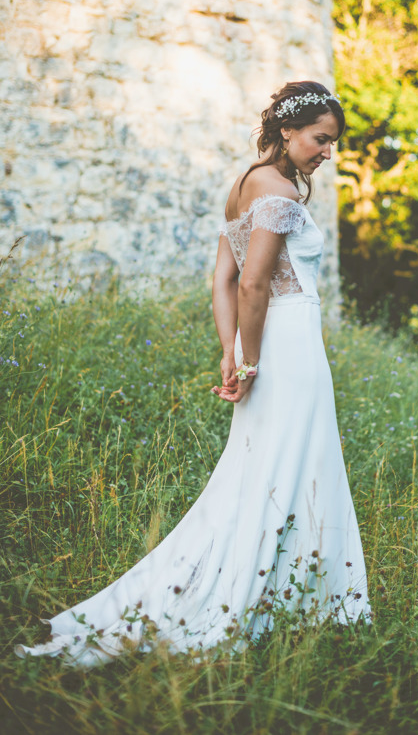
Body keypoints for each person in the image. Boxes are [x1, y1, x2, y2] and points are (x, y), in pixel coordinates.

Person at [15, 81, 372, 667]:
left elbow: (221, 280)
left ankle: (281, 595)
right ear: (288, 130)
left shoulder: (241, 185)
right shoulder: (280, 189)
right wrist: (249, 359)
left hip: (267, 344)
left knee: (265, 470)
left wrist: (228, 351)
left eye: (331, 142)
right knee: (293, 468)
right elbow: (253, 283)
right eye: (320, 139)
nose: (327, 152)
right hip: (290, 347)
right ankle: (293, 602)